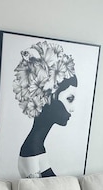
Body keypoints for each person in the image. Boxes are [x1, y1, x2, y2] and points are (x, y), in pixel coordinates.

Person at [13, 41, 77, 178]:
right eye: (69, 99)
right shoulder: (31, 150)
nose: (73, 109)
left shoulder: (38, 146)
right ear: (48, 98)